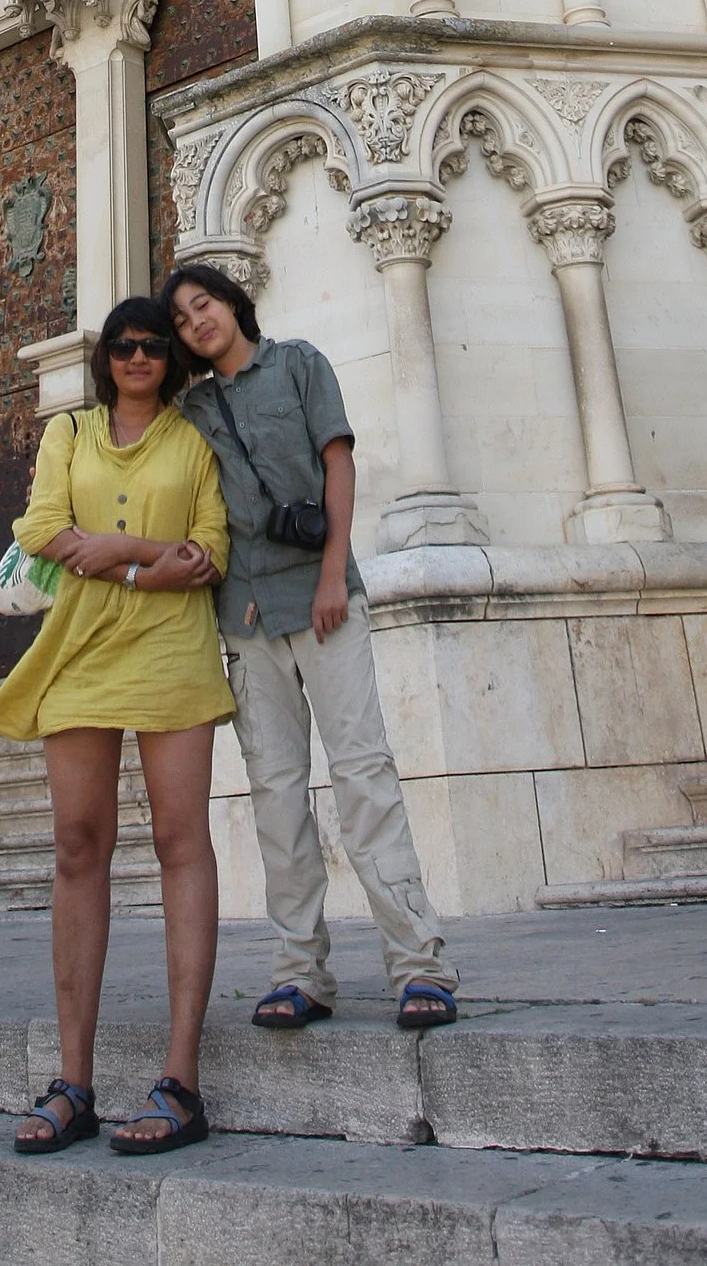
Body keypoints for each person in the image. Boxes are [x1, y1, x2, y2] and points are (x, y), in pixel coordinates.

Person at [164, 261, 458, 1032]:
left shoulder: (298, 363)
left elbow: (337, 461)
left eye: (204, 303)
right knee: (276, 795)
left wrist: (334, 573)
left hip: (324, 600)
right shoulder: (194, 410)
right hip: (247, 617)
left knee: (363, 772)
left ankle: (419, 962)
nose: (198, 321)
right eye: (183, 318)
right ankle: (299, 968)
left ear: (233, 301)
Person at [0, 293, 231, 1159]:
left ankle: (181, 1077)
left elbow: (209, 552)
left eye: (153, 344)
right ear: (105, 358)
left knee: (179, 840)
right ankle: (74, 1082)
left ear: (171, 357)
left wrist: (119, 554)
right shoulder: (70, 433)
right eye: (123, 345)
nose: (138, 356)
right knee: (78, 844)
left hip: (171, 651)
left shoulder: (191, 440)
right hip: (81, 648)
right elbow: (41, 527)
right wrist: (155, 560)